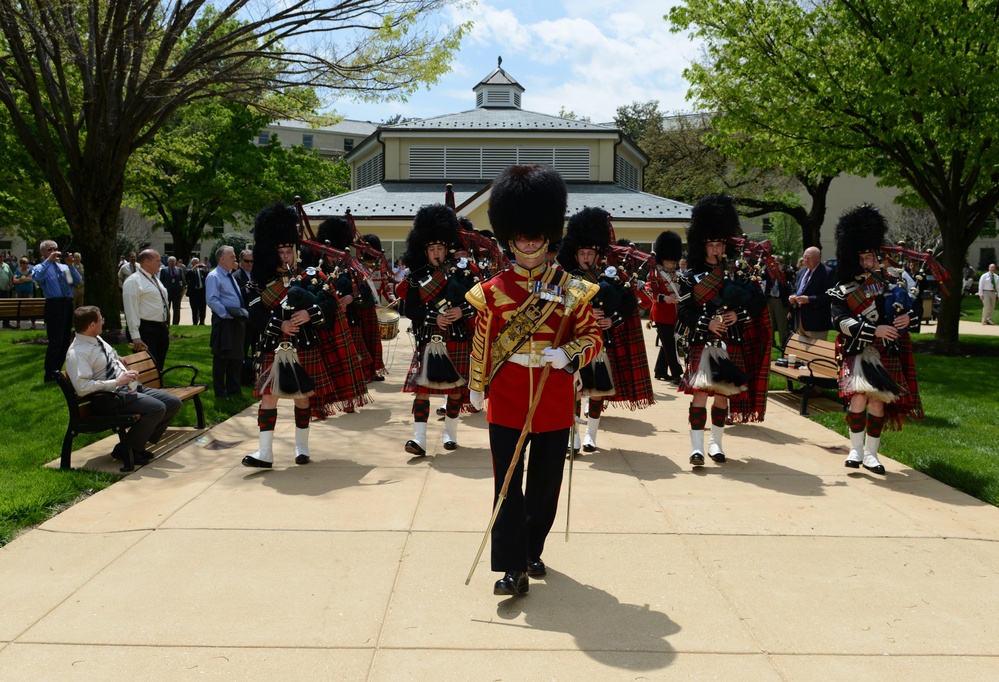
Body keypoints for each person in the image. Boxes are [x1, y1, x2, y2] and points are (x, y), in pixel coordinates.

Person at [465, 164, 602, 597]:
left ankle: (531, 550)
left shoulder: (571, 288)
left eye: (535, 234)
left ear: (547, 235)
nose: (528, 241)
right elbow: (484, 340)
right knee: (507, 484)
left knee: (544, 487)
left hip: (553, 396)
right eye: (521, 236)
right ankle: (511, 568)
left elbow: (592, 336)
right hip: (506, 397)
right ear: (510, 237)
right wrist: (475, 382)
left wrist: (569, 354)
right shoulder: (491, 291)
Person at [242, 203, 369, 469]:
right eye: (281, 252)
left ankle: (301, 447)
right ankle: (265, 452)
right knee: (269, 396)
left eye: (290, 251)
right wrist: (280, 325)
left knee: (302, 397)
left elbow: (330, 305)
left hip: (305, 345)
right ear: (270, 252)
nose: (286, 256)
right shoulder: (256, 283)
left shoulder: (311, 276)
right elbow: (254, 316)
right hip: (273, 345)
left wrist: (310, 314)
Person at [829, 205, 923, 474]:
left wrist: (909, 320)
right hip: (857, 348)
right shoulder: (843, 288)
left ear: (877, 256)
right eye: (861, 257)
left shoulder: (891, 283)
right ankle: (855, 450)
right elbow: (839, 321)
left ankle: (871, 454)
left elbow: (911, 311)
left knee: (878, 401)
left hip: (886, 350)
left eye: (870, 256)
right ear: (852, 258)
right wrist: (874, 331)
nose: (866, 262)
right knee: (858, 398)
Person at [677, 195, 770, 466]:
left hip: (731, 339)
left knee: (722, 395)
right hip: (701, 339)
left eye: (719, 244)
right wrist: (707, 324)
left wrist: (735, 315)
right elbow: (683, 312)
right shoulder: (689, 276)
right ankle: (696, 448)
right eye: (711, 245)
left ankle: (716, 444)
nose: (715, 250)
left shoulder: (736, 273)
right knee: (700, 394)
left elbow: (758, 301)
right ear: (701, 245)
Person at [556, 207, 655, 453]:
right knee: (575, 390)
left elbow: (630, 305)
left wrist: (613, 320)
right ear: (575, 254)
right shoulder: (564, 278)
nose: (586, 257)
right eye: (582, 253)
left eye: (590, 253)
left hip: (602, 342)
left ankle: (591, 435)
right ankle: (573, 436)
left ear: (597, 254)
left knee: (597, 391)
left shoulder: (612, 278)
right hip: (575, 341)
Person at [401, 204, 475, 455]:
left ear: (447, 249)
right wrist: (434, 317)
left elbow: (479, 303)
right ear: (424, 251)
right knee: (421, 392)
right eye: (431, 249)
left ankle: (449, 434)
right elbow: (410, 310)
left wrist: (461, 312)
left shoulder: (464, 273)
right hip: (429, 338)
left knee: (455, 392)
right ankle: (418, 440)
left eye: (440, 249)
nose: (436, 253)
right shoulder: (415, 277)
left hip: (456, 337)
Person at [65, 306, 182, 465]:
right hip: (108, 398)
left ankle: (134, 446)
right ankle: (128, 449)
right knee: (157, 408)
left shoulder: (96, 339)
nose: (103, 322)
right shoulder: (78, 353)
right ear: (92, 325)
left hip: (127, 389)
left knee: (173, 403)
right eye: (101, 320)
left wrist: (116, 358)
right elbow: (82, 387)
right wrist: (117, 382)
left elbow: (103, 356)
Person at [32, 239, 82, 380]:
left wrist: (71, 266)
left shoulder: (64, 268)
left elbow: (76, 282)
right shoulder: (40, 267)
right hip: (54, 305)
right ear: (42, 252)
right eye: (50, 249)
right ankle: (50, 374)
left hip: (67, 304)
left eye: (56, 249)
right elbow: (37, 277)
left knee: (65, 340)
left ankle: (58, 372)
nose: (54, 252)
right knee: (56, 341)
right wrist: (49, 260)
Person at [206, 245, 247, 399]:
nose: (235, 259)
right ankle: (220, 392)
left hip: (236, 320)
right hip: (224, 322)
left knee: (236, 356)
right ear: (222, 259)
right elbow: (212, 300)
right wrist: (228, 314)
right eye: (232, 257)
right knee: (222, 357)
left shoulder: (230, 276)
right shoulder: (214, 276)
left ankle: (234, 390)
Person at [645, 231, 685, 384]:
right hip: (661, 313)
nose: (672, 264)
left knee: (668, 343)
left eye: (673, 262)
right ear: (663, 259)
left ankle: (660, 370)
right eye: (670, 261)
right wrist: (664, 298)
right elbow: (649, 293)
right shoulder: (655, 274)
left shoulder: (675, 274)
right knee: (669, 344)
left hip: (673, 313)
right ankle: (676, 374)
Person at [122, 249, 171, 370]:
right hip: (145, 330)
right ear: (147, 262)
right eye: (158, 261)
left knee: (158, 367)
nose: (160, 264)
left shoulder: (155, 279)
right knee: (147, 369)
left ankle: (157, 388)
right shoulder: (133, 281)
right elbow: (131, 310)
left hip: (160, 329)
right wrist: (136, 336)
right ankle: (145, 389)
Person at [789, 246, 834, 340]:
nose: (805, 260)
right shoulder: (801, 272)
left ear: (818, 259)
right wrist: (792, 296)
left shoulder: (827, 272)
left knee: (816, 354)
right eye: (804, 257)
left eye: (808, 258)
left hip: (816, 322)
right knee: (802, 354)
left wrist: (809, 299)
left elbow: (829, 296)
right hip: (800, 320)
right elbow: (796, 289)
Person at [763, 255, 791, 348]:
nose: (775, 266)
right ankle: (771, 344)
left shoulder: (786, 273)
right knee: (770, 325)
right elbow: (760, 274)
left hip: (780, 301)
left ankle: (783, 345)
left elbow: (790, 285)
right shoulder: (769, 273)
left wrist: (781, 272)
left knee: (781, 324)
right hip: (770, 300)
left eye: (777, 264)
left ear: (782, 265)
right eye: (773, 264)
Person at [159, 256, 186, 325]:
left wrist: (181, 287)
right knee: (167, 309)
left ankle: (176, 323)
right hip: (167, 292)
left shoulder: (179, 270)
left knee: (176, 309)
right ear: (168, 262)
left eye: (174, 261)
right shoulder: (164, 270)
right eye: (171, 261)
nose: (173, 263)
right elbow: (161, 282)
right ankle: (167, 322)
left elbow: (182, 280)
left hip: (177, 293)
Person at [186, 257, 208, 325]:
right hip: (194, 293)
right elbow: (187, 277)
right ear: (192, 263)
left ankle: (202, 322)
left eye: (197, 262)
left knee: (202, 309)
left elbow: (208, 277)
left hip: (202, 292)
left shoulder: (202, 271)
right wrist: (193, 269)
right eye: (194, 262)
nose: (196, 264)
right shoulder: (190, 271)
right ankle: (195, 322)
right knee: (194, 309)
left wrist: (206, 269)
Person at [0, 250, 13, 329]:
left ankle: (6, 323)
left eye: (2, 256)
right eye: (0, 256)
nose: (1, 257)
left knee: (7, 307)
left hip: (6, 290)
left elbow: (10, 276)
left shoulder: (6, 266)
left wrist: (10, 286)